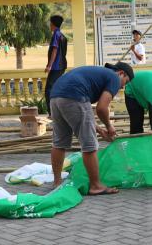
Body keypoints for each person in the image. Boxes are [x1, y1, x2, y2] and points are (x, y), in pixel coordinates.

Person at [50, 62, 134, 195]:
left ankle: (57, 181)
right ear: (121, 73)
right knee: (89, 144)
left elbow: (83, 115)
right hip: (74, 95)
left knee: (59, 143)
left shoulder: (99, 74)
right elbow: (101, 108)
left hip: (55, 96)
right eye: (126, 81)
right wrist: (109, 126)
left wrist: (100, 130)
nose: (123, 86)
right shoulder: (113, 77)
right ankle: (96, 185)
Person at [45, 15, 68, 118]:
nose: (49, 25)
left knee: (49, 89)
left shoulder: (56, 35)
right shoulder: (62, 35)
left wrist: (49, 66)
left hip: (56, 67)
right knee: (56, 88)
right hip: (62, 66)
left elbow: (54, 50)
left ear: (52, 24)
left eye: (50, 23)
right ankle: (57, 111)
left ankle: (52, 113)